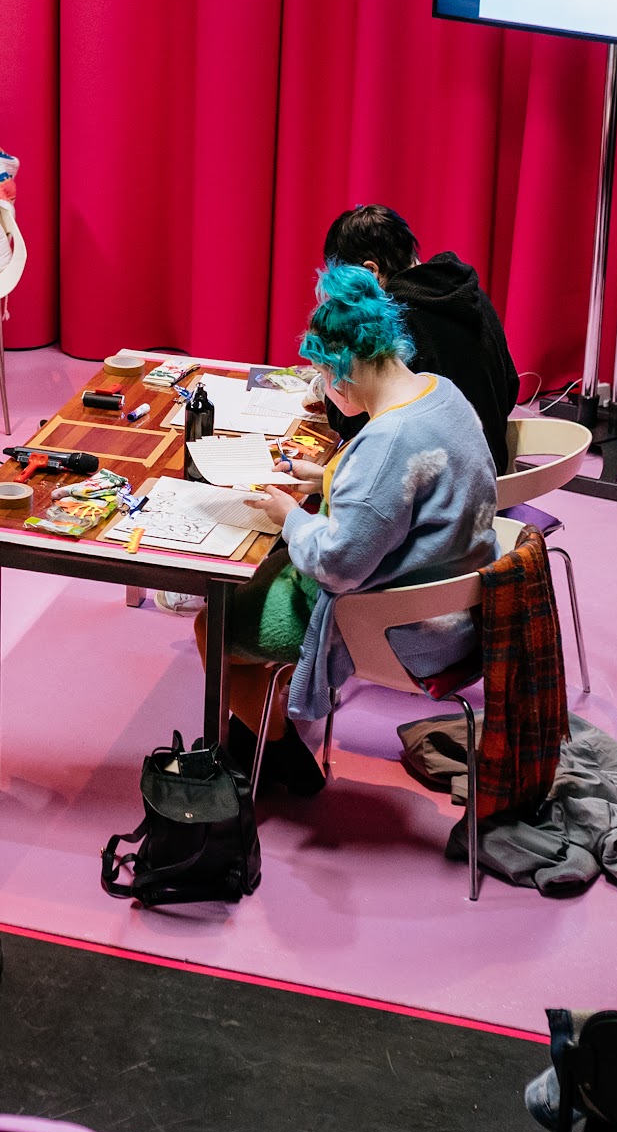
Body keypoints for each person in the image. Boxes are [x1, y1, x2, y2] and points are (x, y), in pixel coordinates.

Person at [211, 264, 500, 794]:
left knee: (215, 624)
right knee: (260, 585)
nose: (324, 388)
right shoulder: (440, 393)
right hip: (459, 601)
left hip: (402, 626)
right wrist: (321, 476)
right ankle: (263, 723)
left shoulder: (387, 443)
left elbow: (339, 566)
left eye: (322, 376)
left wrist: (290, 516)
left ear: (343, 369)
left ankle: (277, 761)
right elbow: (398, 495)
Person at [320, 203, 520, 475]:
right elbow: (510, 386)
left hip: (443, 489)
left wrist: (329, 389)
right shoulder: (469, 292)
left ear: (371, 271)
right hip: (490, 468)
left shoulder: (394, 320)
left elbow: (358, 424)